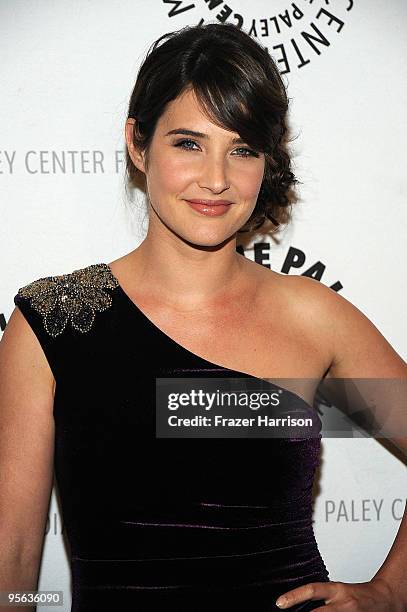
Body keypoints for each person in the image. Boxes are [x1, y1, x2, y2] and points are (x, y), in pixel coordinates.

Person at [1, 22, 406, 612]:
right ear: (138, 145)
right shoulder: (53, 324)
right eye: (188, 143)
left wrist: (393, 591)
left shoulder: (313, 317)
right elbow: (12, 563)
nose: (216, 179)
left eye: (242, 149)